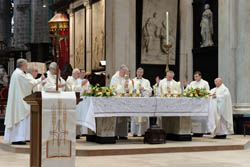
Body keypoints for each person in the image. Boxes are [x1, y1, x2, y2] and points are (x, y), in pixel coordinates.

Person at [4, 59, 43, 145]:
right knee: (20, 117)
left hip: (18, 98)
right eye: (26, 65)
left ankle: (21, 137)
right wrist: (41, 79)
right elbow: (30, 83)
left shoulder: (16, 73)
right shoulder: (19, 74)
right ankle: (18, 138)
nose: (27, 67)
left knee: (20, 117)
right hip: (19, 100)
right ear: (23, 66)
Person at [110, 64, 129, 139]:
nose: (125, 74)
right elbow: (114, 88)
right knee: (116, 116)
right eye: (124, 72)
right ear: (120, 70)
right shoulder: (115, 77)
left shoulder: (125, 77)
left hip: (124, 99)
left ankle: (122, 134)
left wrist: (128, 86)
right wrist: (124, 86)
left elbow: (128, 87)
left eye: (125, 72)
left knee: (124, 116)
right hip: (116, 99)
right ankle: (114, 134)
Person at [188, 71, 210, 136]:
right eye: (194, 76)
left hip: (202, 104)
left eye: (197, 76)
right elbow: (188, 91)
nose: (195, 78)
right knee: (194, 118)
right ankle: (195, 131)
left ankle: (201, 131)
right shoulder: (192, 83)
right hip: (194, 104)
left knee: (201, 118)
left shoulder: (205, 83)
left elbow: (207, 92)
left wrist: (201, 94)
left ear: (200, 76)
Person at [131, 68, 152, 136]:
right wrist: (135, 90)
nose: (139, 73)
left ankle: (143, 132)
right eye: (138, 72)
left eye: (141, 72)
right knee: (135, 116)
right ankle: (135, 132)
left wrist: (143, 89)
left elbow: (150, 91)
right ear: (136, 72)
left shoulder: (146, 81)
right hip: (135, 101)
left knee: (144, 116)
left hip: (144, 102)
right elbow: (129, 90)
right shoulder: (132, 81)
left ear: (143, 73)